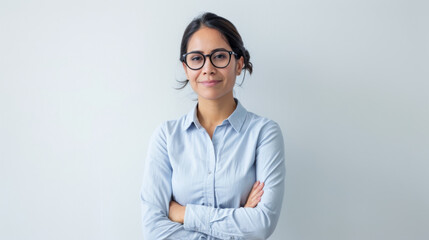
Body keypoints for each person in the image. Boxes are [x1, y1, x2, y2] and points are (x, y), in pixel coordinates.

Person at [140, 12, 285, 240]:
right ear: (186, 68)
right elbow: (154, 231)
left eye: (219, 56)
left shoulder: (264, 134)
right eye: (197, 58)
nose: (207, 68)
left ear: (239, 64)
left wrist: (184, 213)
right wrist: (240, 217)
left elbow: (260, 225)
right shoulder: (166, 137)